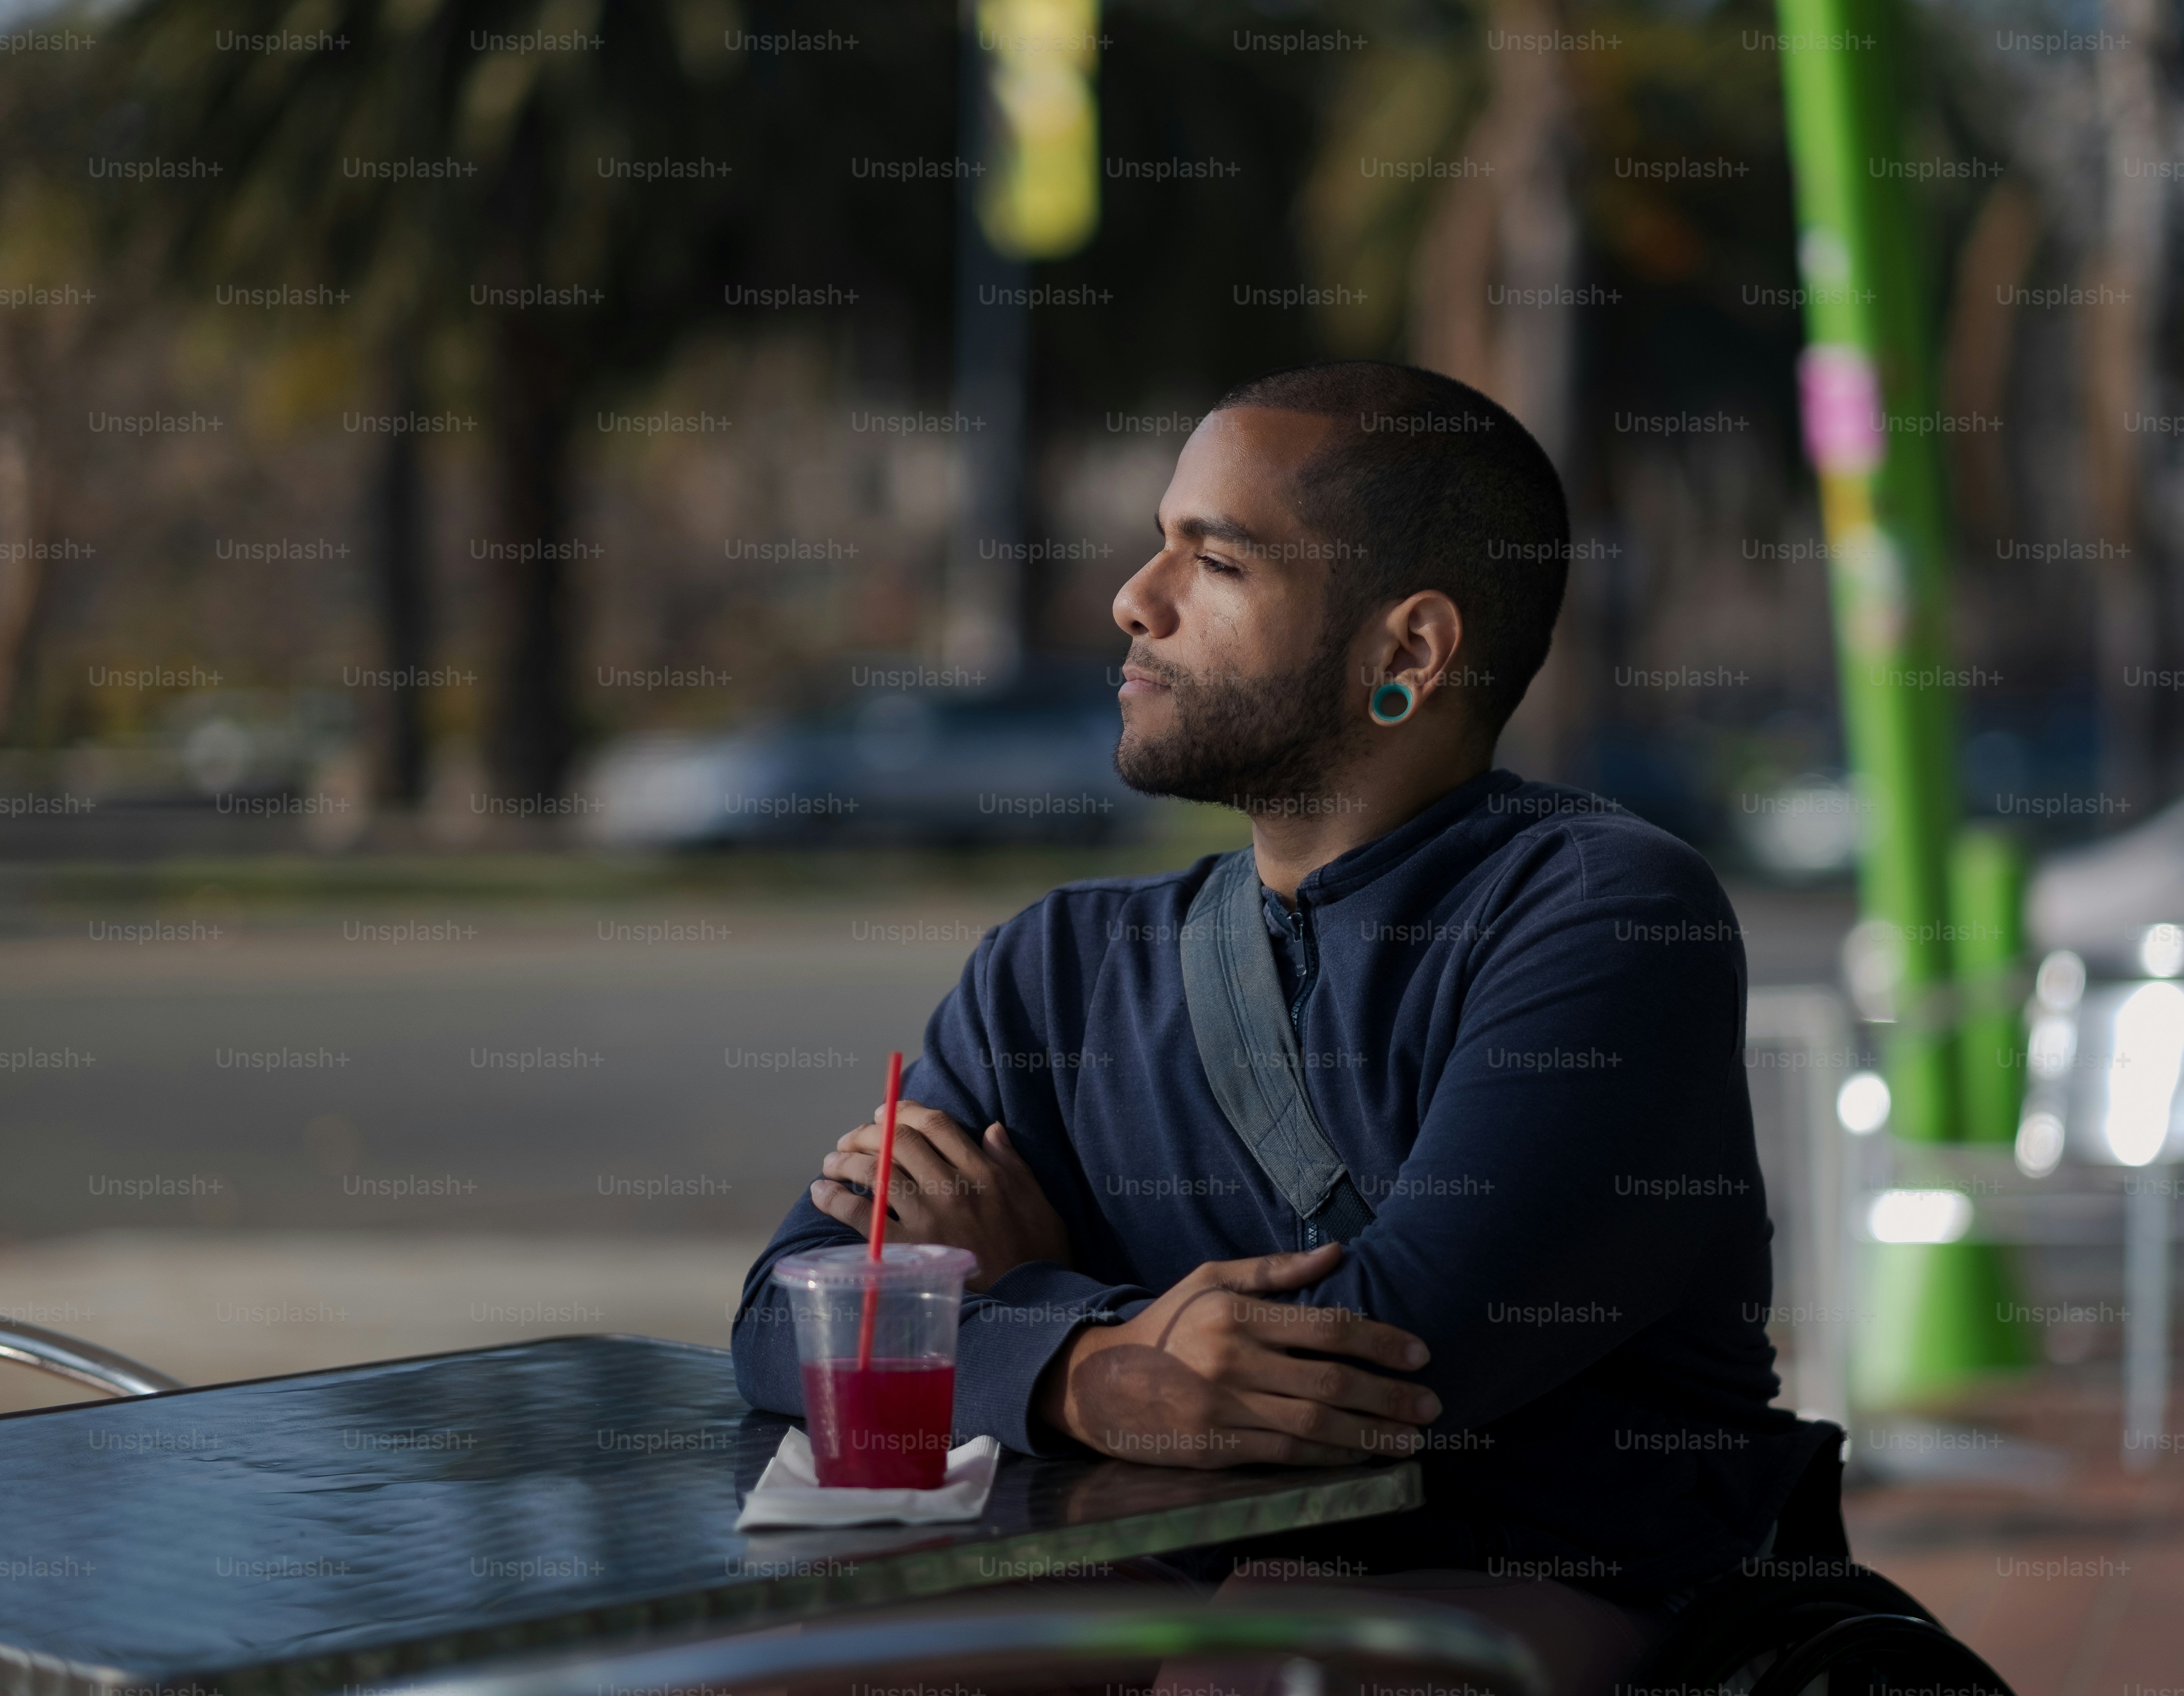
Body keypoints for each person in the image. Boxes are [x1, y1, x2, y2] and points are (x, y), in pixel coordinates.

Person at [731, 361, 1838, 1689]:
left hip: (1557, 1580)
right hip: (1179, 1574)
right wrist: (1079, 1366)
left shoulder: (1602, 912)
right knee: (787, 1649)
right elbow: (793, 1320)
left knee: (1250, 1679)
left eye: (1220, 562)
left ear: (1406, 651)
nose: (1138, 601)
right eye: (1160, 546)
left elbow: (1379, 1370)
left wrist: (1015, 1298)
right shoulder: (1057, 965)